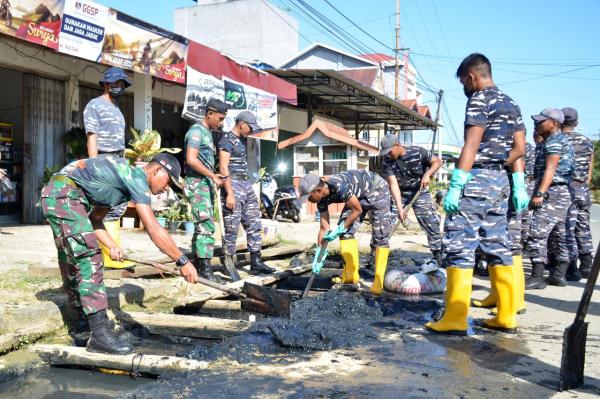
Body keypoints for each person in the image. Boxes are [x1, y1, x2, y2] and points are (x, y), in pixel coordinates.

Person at [40, 154, 198, 355]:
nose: (166, 189)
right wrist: (182, 261)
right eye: (169, 182)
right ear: (157, 170)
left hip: (60, 194)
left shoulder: (121, 185)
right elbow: (154, 229)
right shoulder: (137, 179)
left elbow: (95, 219)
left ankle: (83, 325)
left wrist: (112, 245)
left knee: (73, 257)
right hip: (64, 195)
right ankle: (99, 335)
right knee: (89, 258)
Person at [426, 53, 526, 335]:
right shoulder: (512, 102)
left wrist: (457, 183)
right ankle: (506, 316)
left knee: (460, 243)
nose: (464, 88)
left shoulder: (480, 99)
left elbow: (471, 144)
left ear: (471, 77)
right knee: (497, 244)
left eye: (463, 82)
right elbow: (520, 149)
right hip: (501, 182)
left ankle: (455, 317)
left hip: (476, 179)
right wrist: (517, 182)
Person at [298, 170, 393, 295]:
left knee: (380, 235)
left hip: (376, 188)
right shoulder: (321, 200)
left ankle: (378, 281)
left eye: (309, 197)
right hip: (356, 195)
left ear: (318, 191)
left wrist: (340, 228)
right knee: (346, 234)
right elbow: (324, 228)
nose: (309, 201)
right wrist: (319, 255)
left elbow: (357, 210)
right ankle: (351, 276)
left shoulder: (339, 187)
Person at [83, 66, 132, 268]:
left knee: (117, 206)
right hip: (103, 160)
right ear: (105, 84)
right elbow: (92, 136)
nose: (119, 86)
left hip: (118, 161)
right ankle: (108, 255)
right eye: (115, 83)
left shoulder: (117, 109)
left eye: (122, 83)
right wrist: (94, 166)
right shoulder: (94, 105)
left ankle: (113, 251)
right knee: (104, 207)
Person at [218, 111, 275, 274]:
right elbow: (223, 167)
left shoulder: (243, 140)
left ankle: (256, 261)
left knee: (254, 223)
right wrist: (229, 192)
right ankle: (228, 263)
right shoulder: (227, 140)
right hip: (233, 184)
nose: (251, 131)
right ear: (241, 123)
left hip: (245, 183)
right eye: (250, 127)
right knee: (232, 226)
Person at [525, 109, 574, 289]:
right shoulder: (560, 140)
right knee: (559, 235)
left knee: (537, 233)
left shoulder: (554, 141)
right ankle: (558, 275)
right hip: (562, 193)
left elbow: (550, 169)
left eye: (541, 121)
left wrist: (539, 193)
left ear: (553, 124)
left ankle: (537, 276)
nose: (537, 124)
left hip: (552, 192)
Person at [379, 135, 443, 265]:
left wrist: (427, 175)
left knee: (430, 221)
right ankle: (378, 254)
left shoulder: (418, 152)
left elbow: (438, 161)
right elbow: (393, 184)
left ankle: (438, 255)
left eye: (390, 151)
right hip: (401, 193)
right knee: (387, 222)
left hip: (419, 191)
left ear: (397, 145)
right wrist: (400, 208)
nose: (388, 154)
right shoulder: (387, 161)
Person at [184, 98, 228, 282]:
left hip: (205, 182)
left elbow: (203, 161)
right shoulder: (196, 132)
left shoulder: (207, 133)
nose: (221, 122)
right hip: (197, 183)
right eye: (219, 118)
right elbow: (191, 159)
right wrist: (212, 176)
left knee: (203, 225)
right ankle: (205, 270)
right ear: (209, 114)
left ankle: (197, 262)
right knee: (206, 225)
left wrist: (214, 174)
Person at [561, 107, 595, 280]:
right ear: (577, 123)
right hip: (582, 188)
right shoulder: (587, 141)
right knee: (583, 226)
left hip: (566, 189)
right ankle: (587, 264)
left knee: (568, 228)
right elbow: (590, 167)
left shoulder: (557, 140)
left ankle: (571, 267)